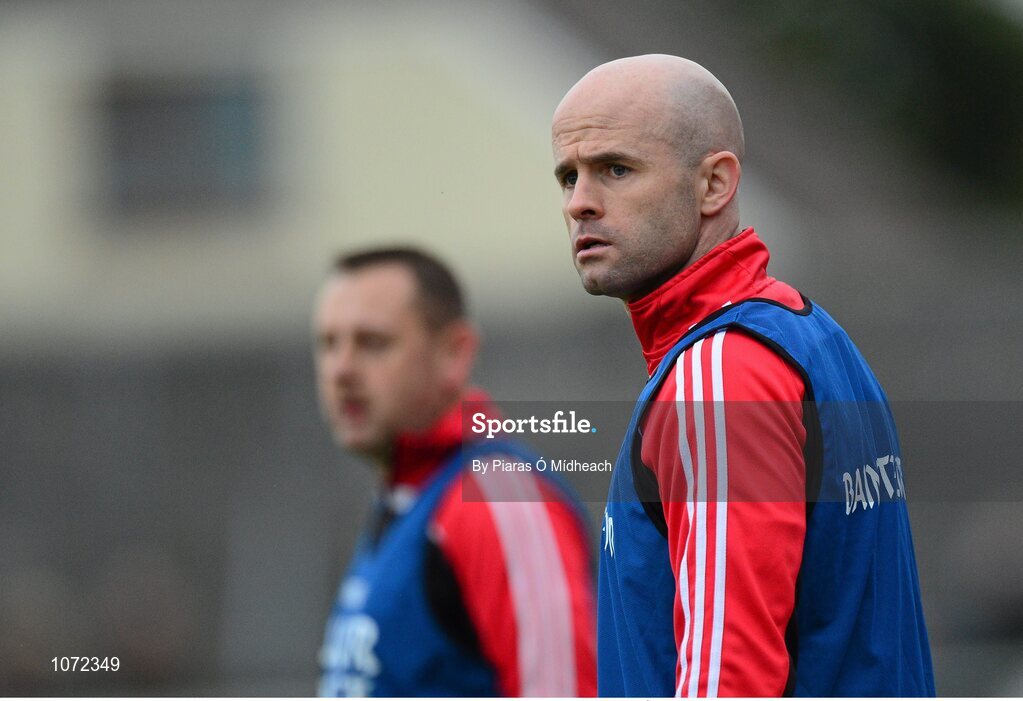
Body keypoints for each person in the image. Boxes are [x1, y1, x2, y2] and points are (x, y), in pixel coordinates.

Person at [551, 55, 935, 696]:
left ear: (714, 184)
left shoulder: (721, 375)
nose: (581, 204)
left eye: (616, 169)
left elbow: (727, 679)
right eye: (568, 177)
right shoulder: (810, 337)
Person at [312, 247, 597, 697]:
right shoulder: (405, 498)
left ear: (454, 354)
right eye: (328, 343)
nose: (341, 370)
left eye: (373, 342)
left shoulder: (499, 498)